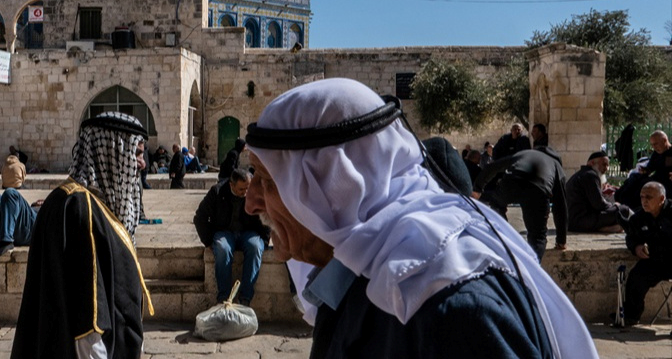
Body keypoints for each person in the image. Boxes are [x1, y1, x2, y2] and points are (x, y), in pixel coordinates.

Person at [242, 78, 596, 359]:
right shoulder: (356, 269)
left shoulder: (450, 311)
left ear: (335, 185)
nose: (252, 203)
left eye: (267, 180)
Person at [11, 112, 152, 359]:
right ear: (113, 150)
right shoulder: (78, 207)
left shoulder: (93, 205)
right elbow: (88, 320)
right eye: (137, 153)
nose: (142, 164)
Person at [474, 142, 569, 261]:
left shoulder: (524, 154)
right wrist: (561, 240)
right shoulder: (556, 165)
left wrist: (477, 188)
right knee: (537, 237)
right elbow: (560, 206)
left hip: (512, 180)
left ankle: (503, 233)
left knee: (496, 202)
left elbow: (492, 167)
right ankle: (531, 267)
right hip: (537, 190)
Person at [193, 169, 269, 306]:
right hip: (224, 231)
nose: (245, 192)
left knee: (256, 247)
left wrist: (264, 239)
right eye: (241, 189)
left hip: (248, 232)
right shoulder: (217, 192)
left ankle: (245, 298)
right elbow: (200, 217)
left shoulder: (255, 193)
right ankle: (224, 297)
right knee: (222, 248)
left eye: (247, 188)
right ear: (231, 185)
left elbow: (267, 215)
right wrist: (208, 241)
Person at [618, 182, 672, 327]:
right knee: (637, 277)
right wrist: (636, 247)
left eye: (649, 197)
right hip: (655, 260)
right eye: (642, 197)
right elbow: (631, 237)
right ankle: (631, 315)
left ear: (661, 199)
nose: (644, 201)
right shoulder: (638, 218)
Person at [566, 150, 631, 233]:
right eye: (604, 164)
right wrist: (614, 206)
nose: (606, 168)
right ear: (592, 163)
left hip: (571, 222)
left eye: (607, 165)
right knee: (623, 209)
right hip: (580, 222)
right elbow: (598, 204)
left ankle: (604, 227)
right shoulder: (590, 175)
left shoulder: (581, 174)